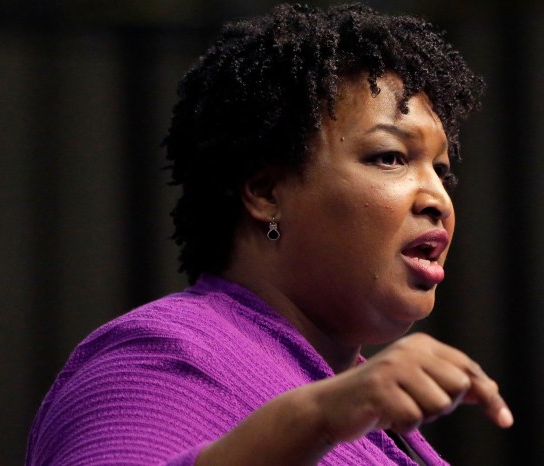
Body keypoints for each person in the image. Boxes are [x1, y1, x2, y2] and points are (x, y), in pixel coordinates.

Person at [25, 3, 513, 465]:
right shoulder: (158, 356)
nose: (437, 199)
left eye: (441, 171)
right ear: (265, 193)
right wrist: (313, 419)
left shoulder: (371, 410)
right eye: (389, 157)